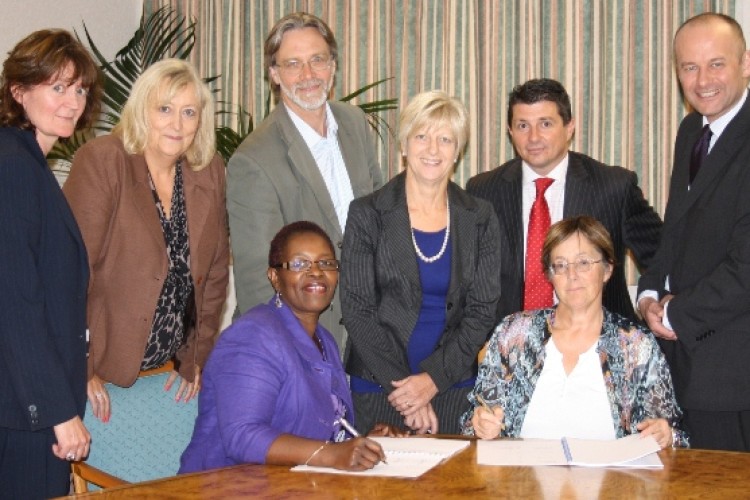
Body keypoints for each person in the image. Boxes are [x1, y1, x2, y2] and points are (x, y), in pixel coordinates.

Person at [63, 59, 229, 423]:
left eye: (189, 112)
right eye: (165, 109)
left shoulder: (209, 169)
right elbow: (70, 274)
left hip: (168, 366)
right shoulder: (105, 161)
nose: (177, 124)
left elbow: (213, 274)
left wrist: (196, 355)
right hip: (102, 365)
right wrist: (81, 366)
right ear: (142, 110)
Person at [341, 91, 501, 435]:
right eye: (421, 136)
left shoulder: (480, 217)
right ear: (404, 146)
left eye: (445, 139)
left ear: (457, 151)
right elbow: (357, 309)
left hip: (452, 385)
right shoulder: (367, 213)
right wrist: (406, 391)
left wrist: (432, 381)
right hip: (379, 385)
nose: (432, 149)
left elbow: (481, 312)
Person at [227, 12, 383, 355]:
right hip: (298, 340)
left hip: (366, 335)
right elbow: (259, 281)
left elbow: (381, 221)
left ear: (333, 65)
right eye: (293, 64)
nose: (308, 75)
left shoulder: (355, 123)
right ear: (274, 74)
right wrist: (301, 356)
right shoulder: (253, 160)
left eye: (317, 60)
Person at [180, 221, 390, 472]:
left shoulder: (325, 340)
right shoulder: (252, 337)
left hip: (299, 485)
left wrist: (365, 444)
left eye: (326, 263)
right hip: (228, 486)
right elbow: (243, 436)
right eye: (300, 264)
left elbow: (324, 429)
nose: (316, 272)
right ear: (274, 277)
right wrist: (331, 454)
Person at [462, 216, 686, 449]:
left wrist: (666, 435)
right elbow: (473, 420)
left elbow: (674, 436)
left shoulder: (636, 345)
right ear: (550, 275)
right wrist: (480, 423)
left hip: (612, 481)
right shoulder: (514, 334)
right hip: (522, 479)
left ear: (607, 269)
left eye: (583, 263)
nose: (572, 275)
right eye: (560, 265)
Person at [638, 13, 750, 452]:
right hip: (686, 369)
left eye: (716, 64)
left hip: (734, 379)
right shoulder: (692, 131)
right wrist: (648, 293)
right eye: (689, 67)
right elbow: (676, 231)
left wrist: (673, 315)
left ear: (746, 64)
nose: (703, 80)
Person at [466, 78, 662, 322]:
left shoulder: (613, 186)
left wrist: (649, 299)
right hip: (509, 346)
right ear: (510, 132)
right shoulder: (483, 191)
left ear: (569, 127)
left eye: (545, 124)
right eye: (523, 126)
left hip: (600, 344)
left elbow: (663, 255)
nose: (533, 137)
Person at [0, 29, 101, 498]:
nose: (72, 101)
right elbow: (16, 304)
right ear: (20, 92)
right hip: (23, 414)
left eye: (79, 88)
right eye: (57, 87)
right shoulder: (12, 165)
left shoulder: (30, 164)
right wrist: (59, 413)